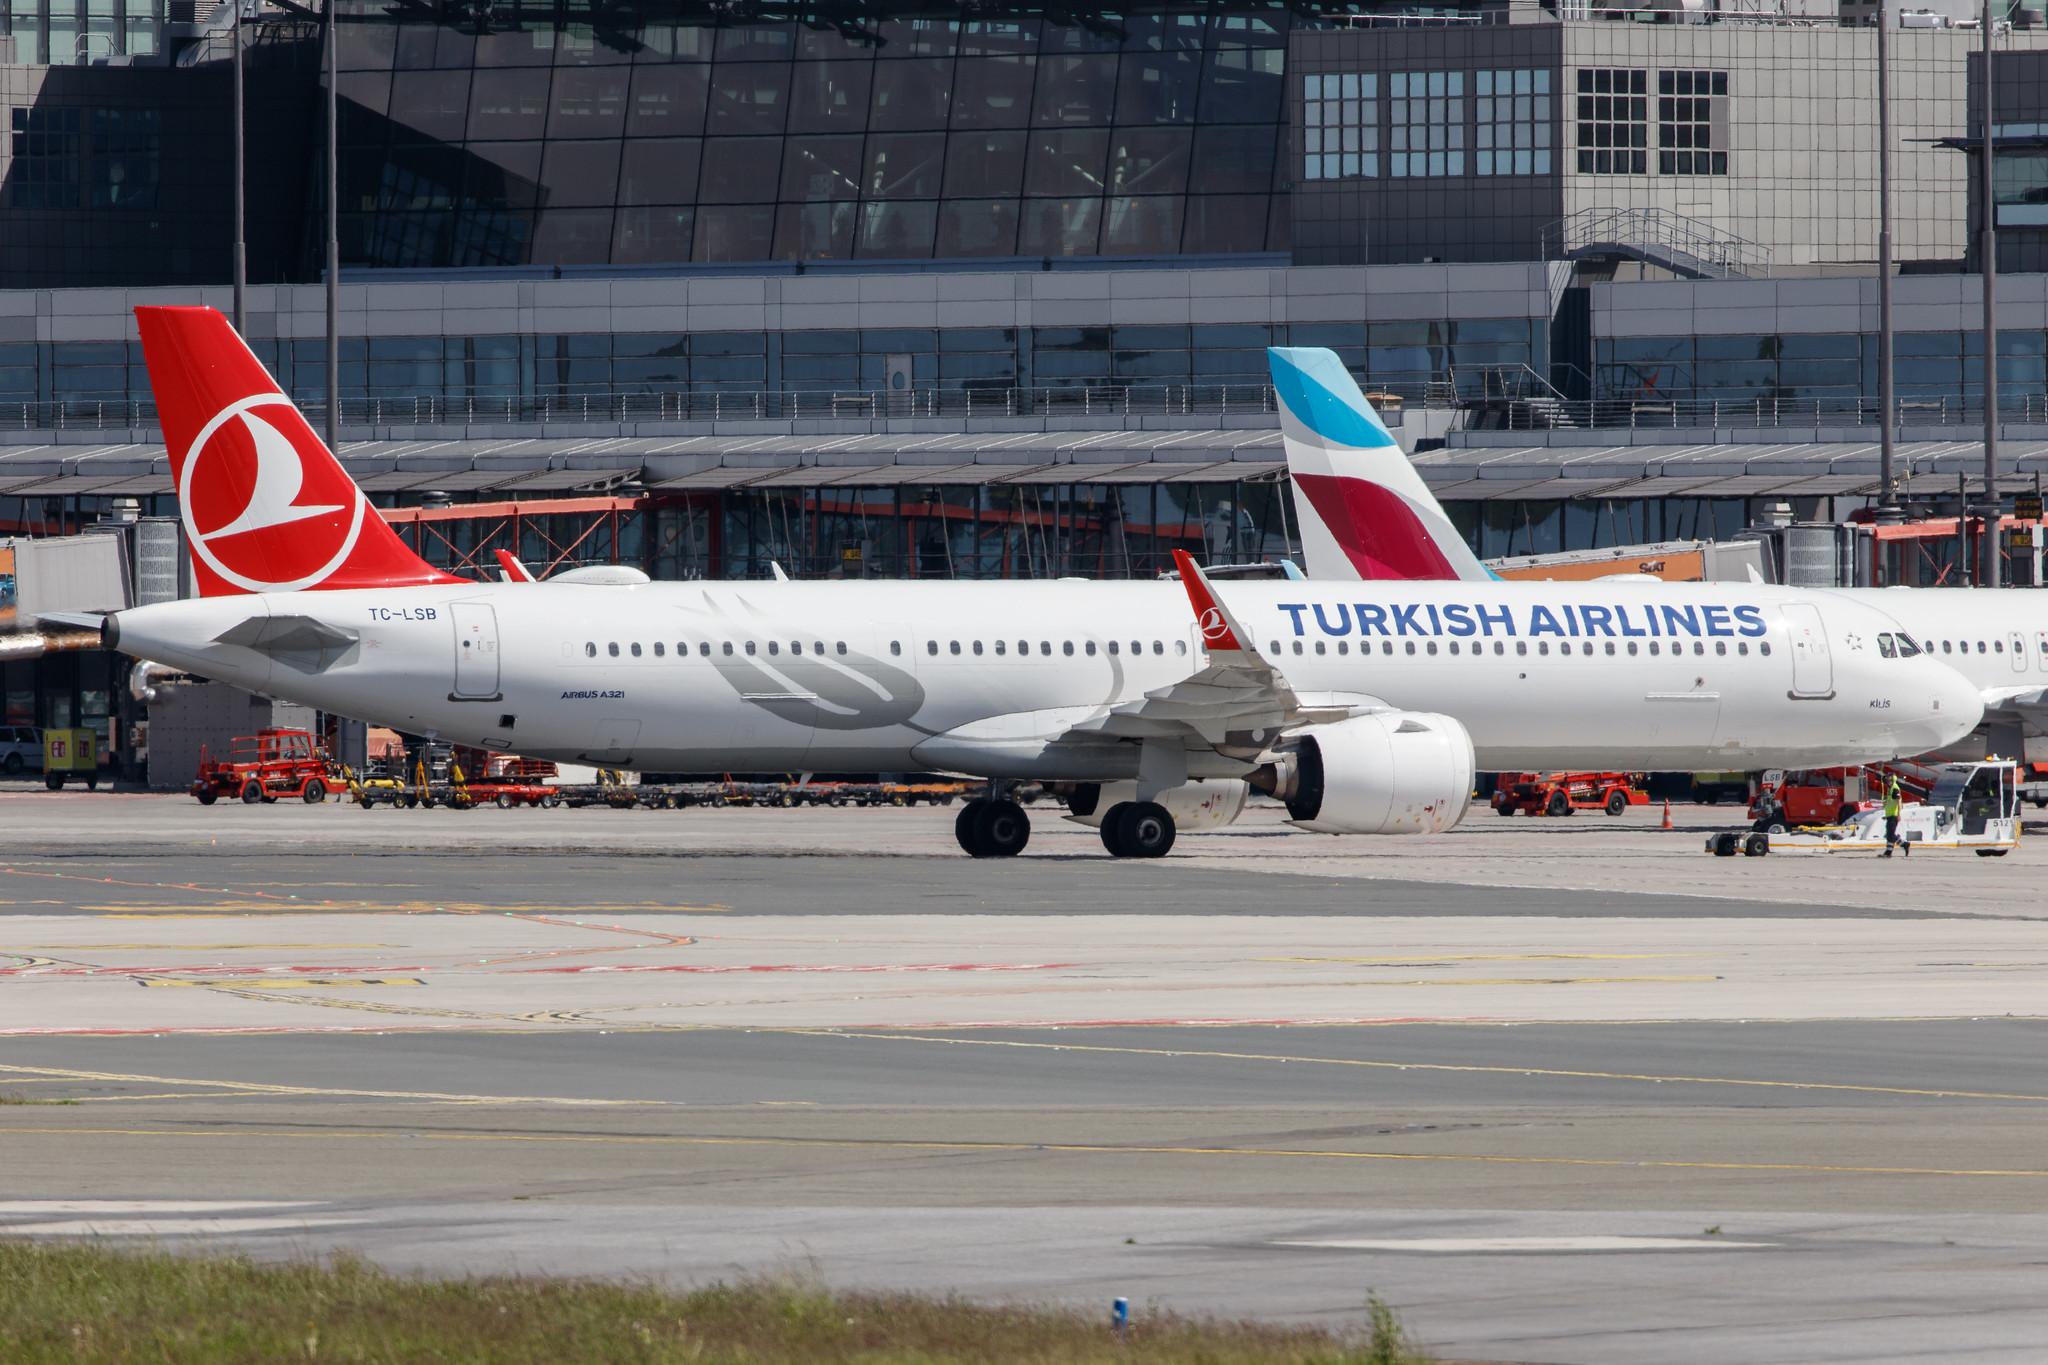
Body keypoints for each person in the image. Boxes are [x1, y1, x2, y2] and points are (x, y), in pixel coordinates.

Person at [1881, 776, 1907, 857]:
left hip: (1894, 815)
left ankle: (1903, 845)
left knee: (1890, 834)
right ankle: (1890, 851)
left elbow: (1898, 802)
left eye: (1887, 782)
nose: (1886, 784)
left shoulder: (1895, 788)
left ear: (1891, 780)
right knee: (1889, 834)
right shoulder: (1890, 788)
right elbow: (1890, 802)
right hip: (1890, 815)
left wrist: (1899, 814)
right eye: (1885, 782)